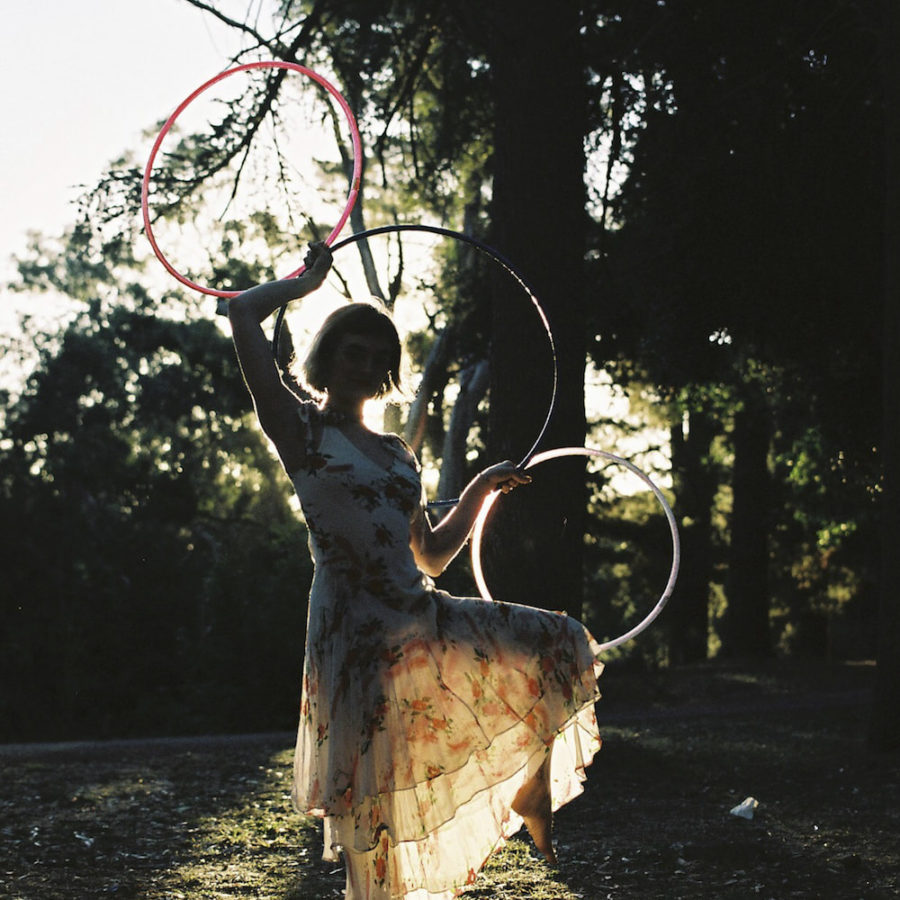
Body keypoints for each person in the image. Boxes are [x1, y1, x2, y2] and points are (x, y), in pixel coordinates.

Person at [227, 241, 604, 899]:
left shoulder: (399, 453)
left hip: (417, 611)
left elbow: (429, 555)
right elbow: (240, 314)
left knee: (561, 640)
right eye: (354, 353)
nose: (367, 366)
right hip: (353, 629)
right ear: (327, 358)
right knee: (372, 794)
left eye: (380, 359)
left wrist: (481, 487)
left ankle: (531, 791)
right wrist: (305, 283)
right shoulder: (300, 430)